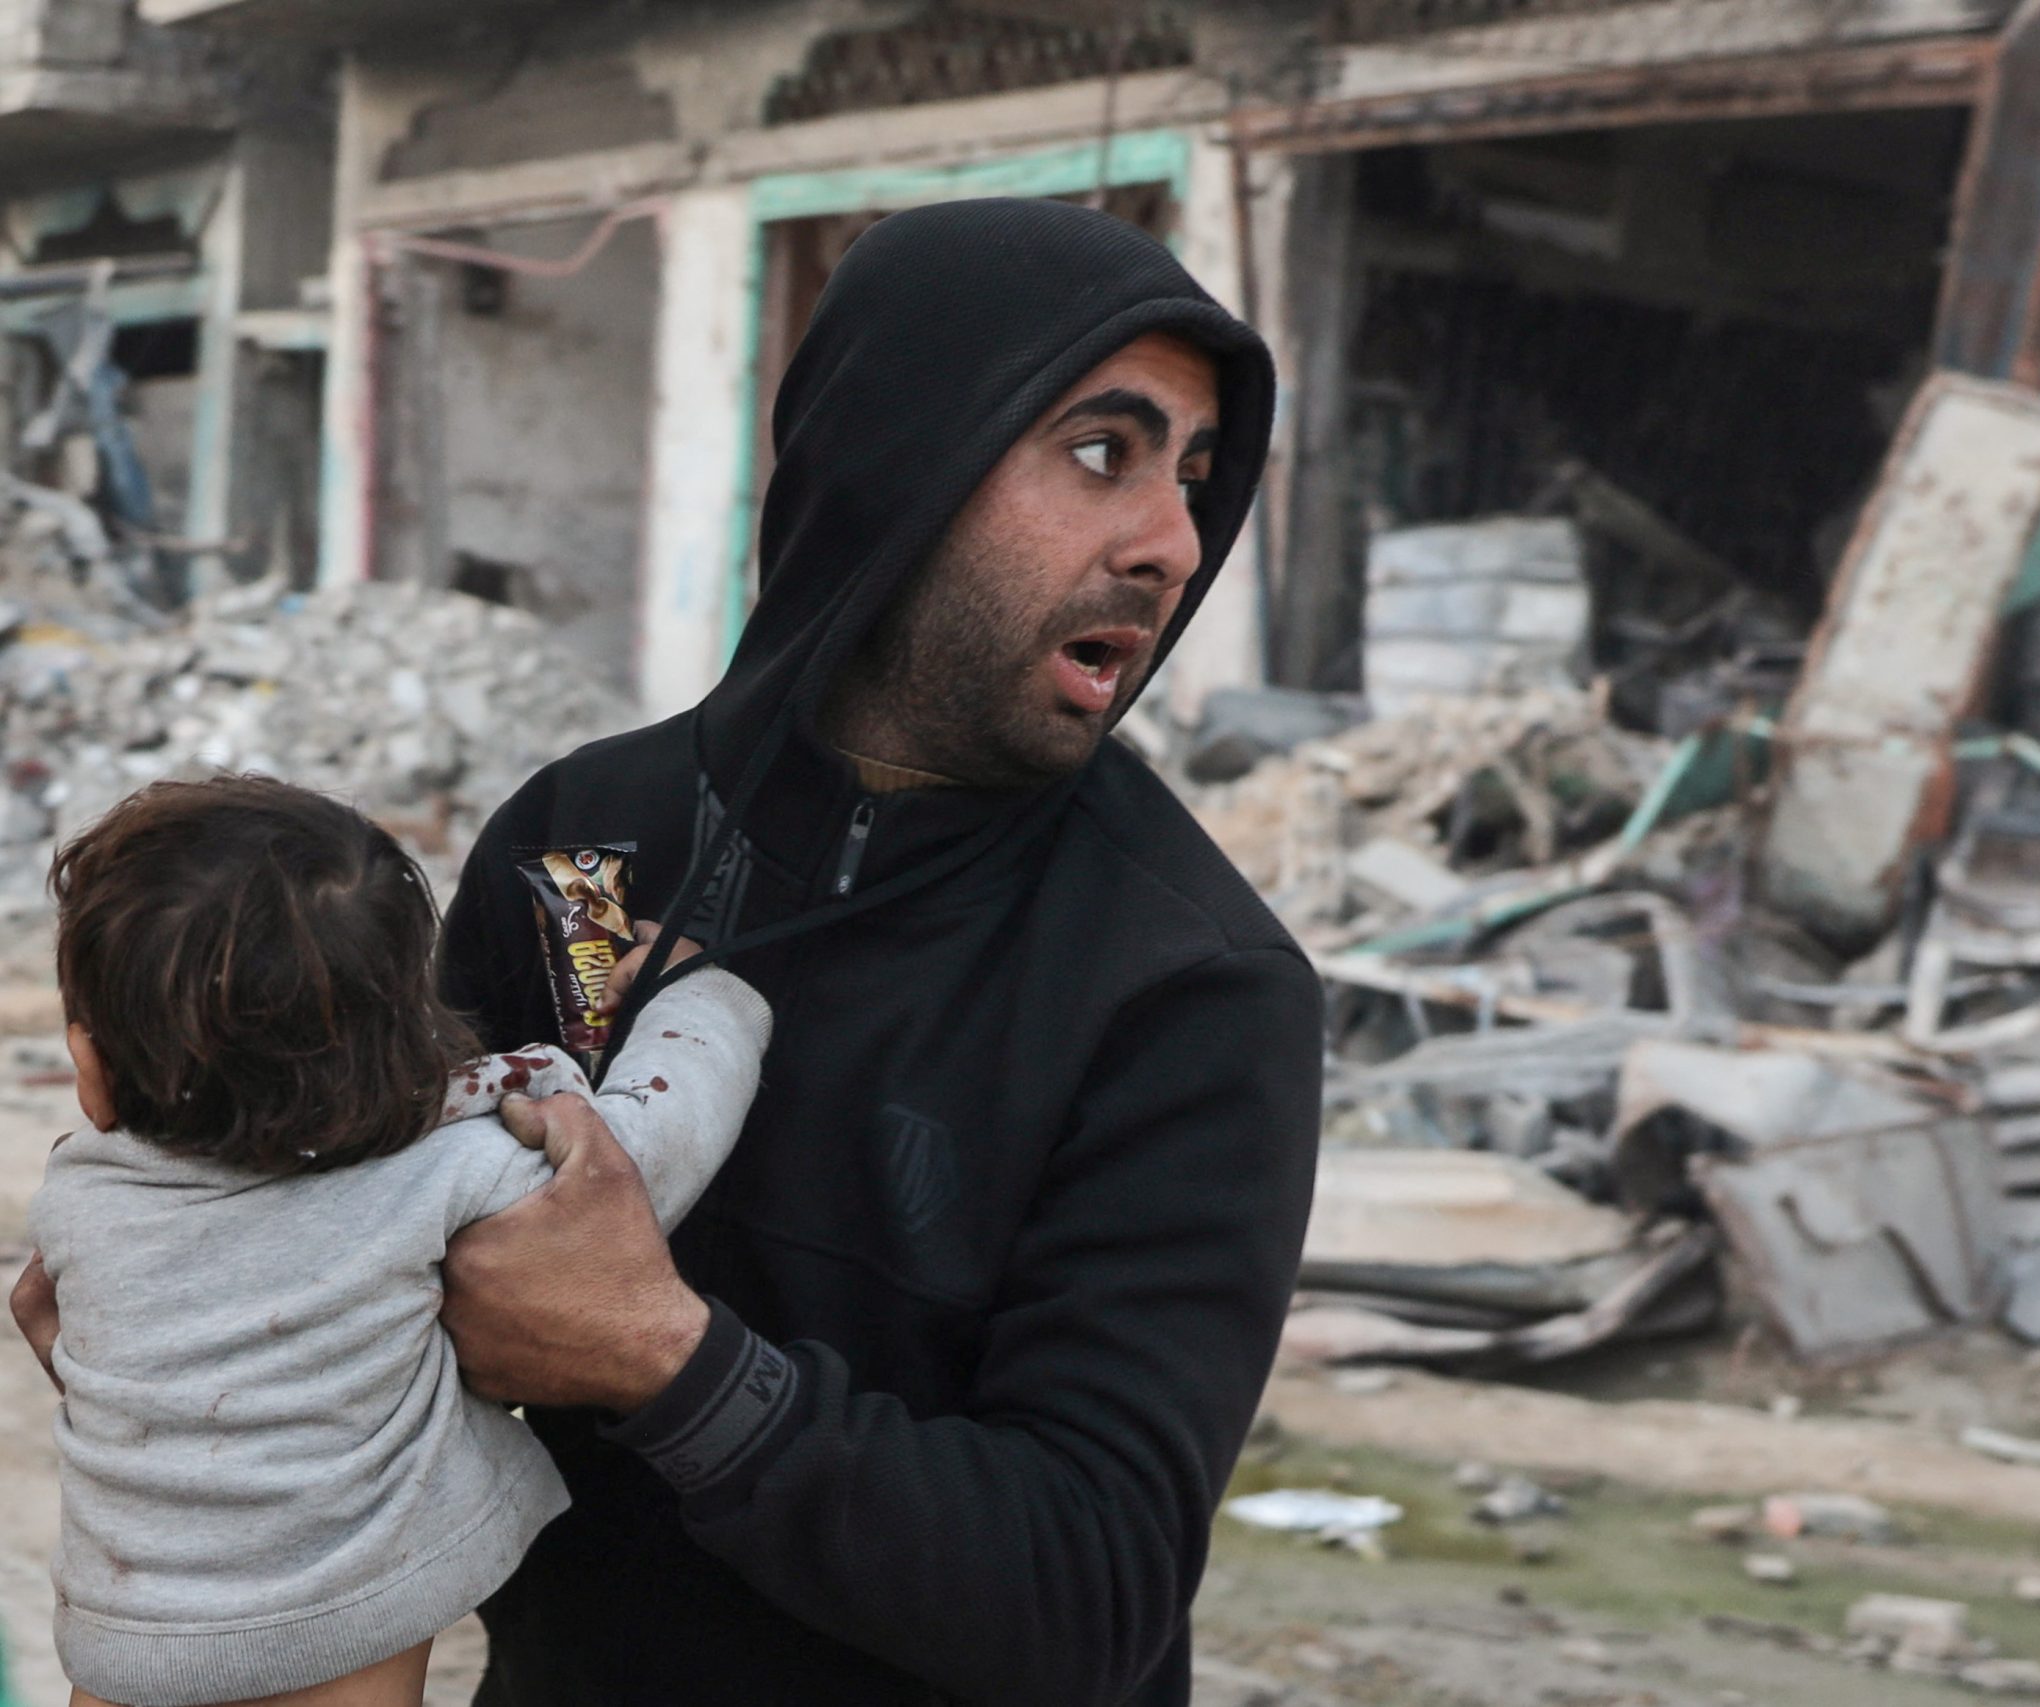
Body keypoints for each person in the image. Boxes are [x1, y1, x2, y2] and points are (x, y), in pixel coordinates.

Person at [429, 197, 1323, 1703]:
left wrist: (666, 1357)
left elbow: (1089, 1590)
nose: (1172, 542)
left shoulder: (1188, 985)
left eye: (1193, 475)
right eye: (1100, 451)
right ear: (902, 453)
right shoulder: (588, 848)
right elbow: (402, 1244)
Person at [18, 775, 773, 1707]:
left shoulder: (84, 1192)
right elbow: (643, 1161)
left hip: (120, 1654)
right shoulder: (455, 1172)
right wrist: (701, 999)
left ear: (90, 1071)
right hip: (340, 1668)